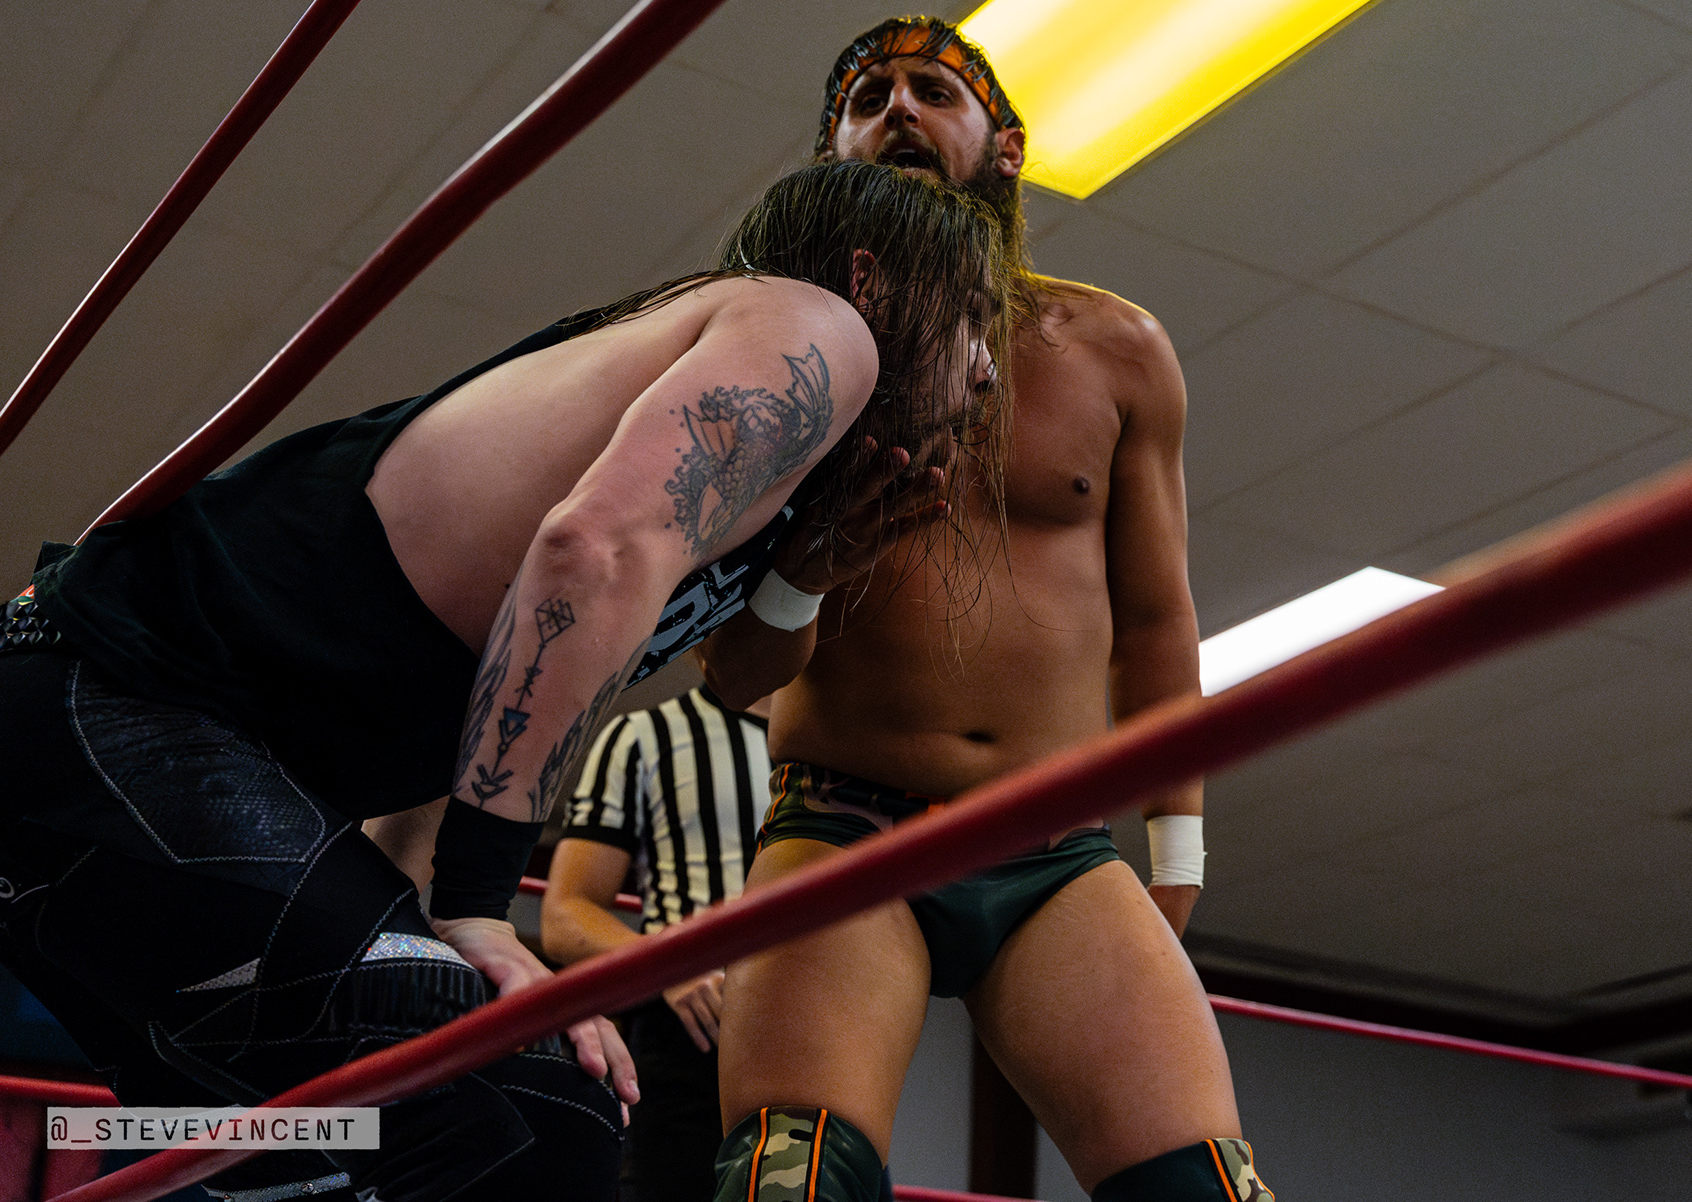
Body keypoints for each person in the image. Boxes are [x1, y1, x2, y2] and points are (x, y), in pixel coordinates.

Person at [0, 159, 1006, 1202]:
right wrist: (481, 906)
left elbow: (495, 682)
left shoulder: (764, 465)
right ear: (870, 279)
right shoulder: (817, 331)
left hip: (115, 763)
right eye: (972, 315)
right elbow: (591, 549)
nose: (986, 367)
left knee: (337, 1154)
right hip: (115, 699)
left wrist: (429, 915)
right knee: (534, 1109)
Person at [699, 20, 1276, 1202]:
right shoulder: (785, 361)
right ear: (834, 153)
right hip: (845, 829)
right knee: (787, 1179)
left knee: (1207, 1186)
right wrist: (815, 557)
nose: (898, 109)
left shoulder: (1115, 349)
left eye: (933, 89)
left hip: (1054, 847)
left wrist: (1179, 848)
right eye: (867, 97)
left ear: (1005, 148)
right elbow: (731, 674)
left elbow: (1156, 621)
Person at [542, 686, 774, 1202]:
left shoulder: (845, 752)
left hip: (826, 1036)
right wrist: (672, 965)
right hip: (695, 1038)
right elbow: (565, 913)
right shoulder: (645, 736)